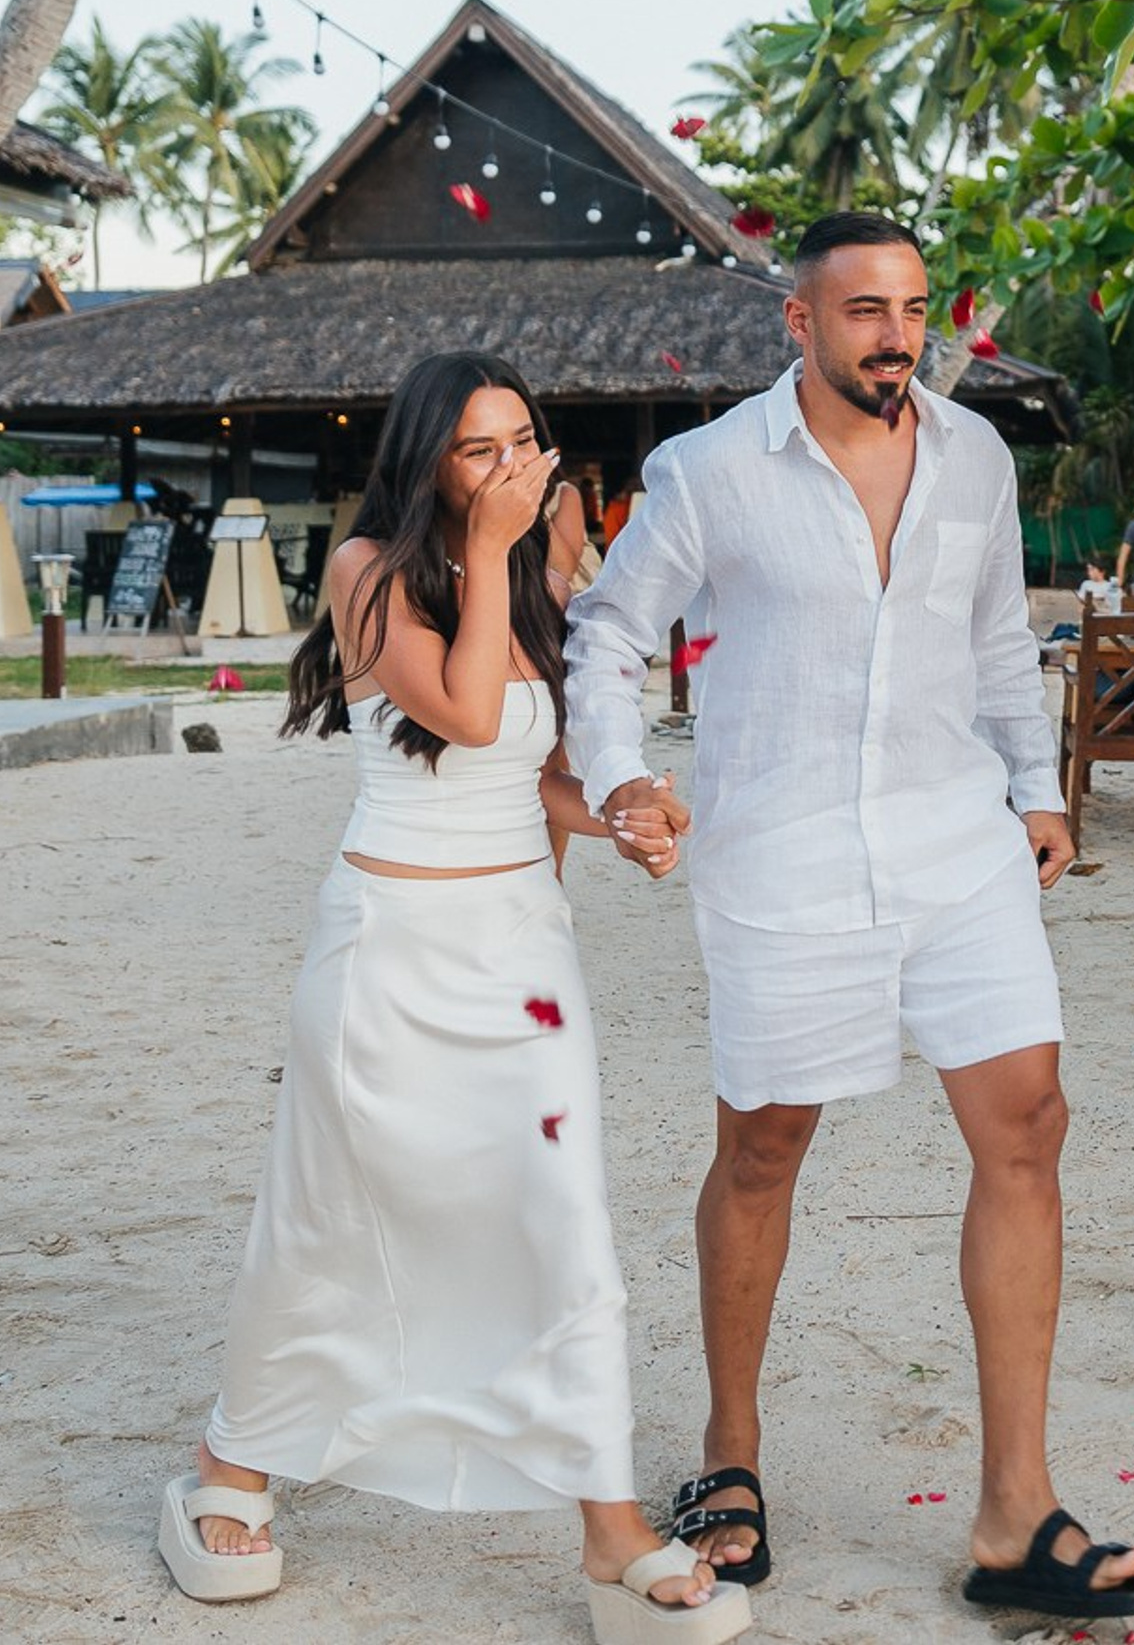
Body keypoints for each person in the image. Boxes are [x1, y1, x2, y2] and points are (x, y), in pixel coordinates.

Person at [565, 212, 1134, 1628]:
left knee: (1028, 1122)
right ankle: (731, 1451)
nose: (895, 336)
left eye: (910, 310)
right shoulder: (708, 473)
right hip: (782, 862)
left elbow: (996, 641)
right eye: (862, 312)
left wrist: (1037, 787)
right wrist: (619, 775)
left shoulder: (977, 456)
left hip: (958, 848)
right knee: (764, 1149)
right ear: (801, 323)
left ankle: (1015, 1510)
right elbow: (608, 632)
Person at [158, 352, 739, 1644]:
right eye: (479, 450)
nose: (509, 468)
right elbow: (470, 717)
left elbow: (534, 779)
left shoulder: (538, 576)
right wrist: (490, 549)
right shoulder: (370, 573)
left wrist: (627, 813)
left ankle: (609, 1537)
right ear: (428, 460)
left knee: (562, 1218)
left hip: (522, 945)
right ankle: (231, 1465)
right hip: (392, 942)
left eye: (521, 441)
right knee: (331, 1220)